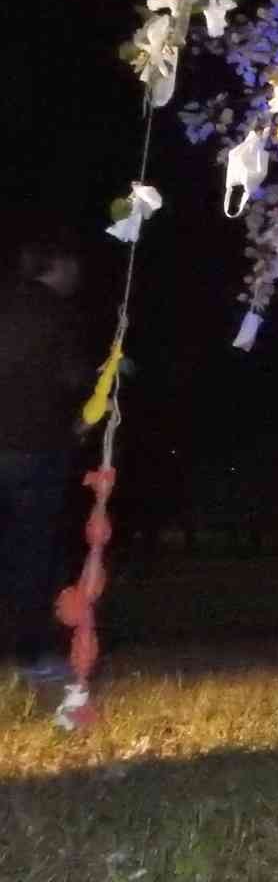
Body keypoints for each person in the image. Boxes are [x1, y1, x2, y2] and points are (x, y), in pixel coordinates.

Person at [0, 233, 93, 682]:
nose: (77, 273)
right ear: (55, 264)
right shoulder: (56, 314)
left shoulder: (8, 305)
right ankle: (30, 654)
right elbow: (71, 377)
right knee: (32, 553)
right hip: (34, 449)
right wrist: (83, 416)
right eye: (72, 263)